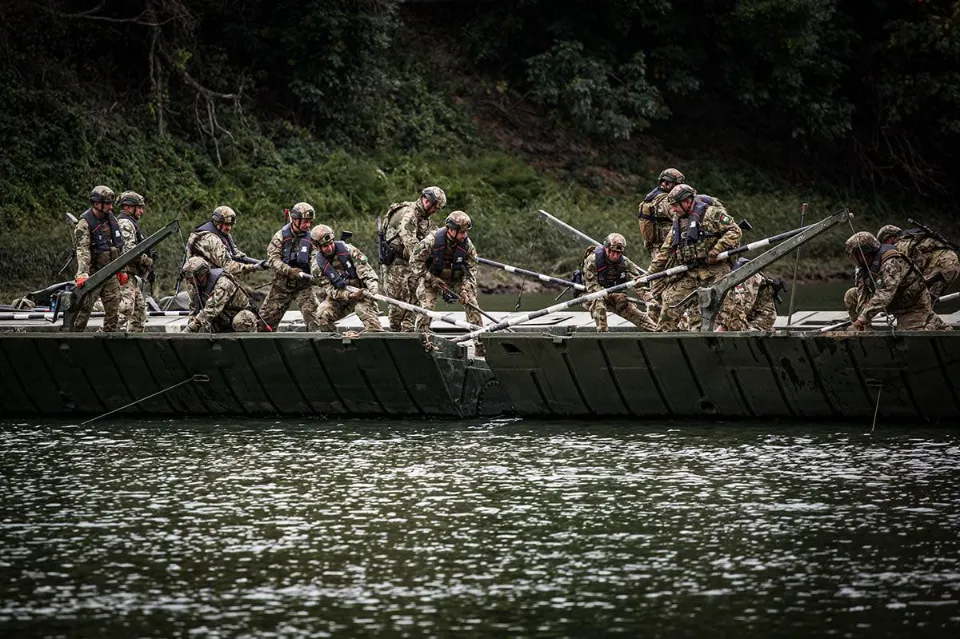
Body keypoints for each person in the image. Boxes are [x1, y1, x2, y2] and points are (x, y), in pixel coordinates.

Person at [646, 184, 743, 331]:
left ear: (687, 201)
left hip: (715, 270)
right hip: (691, 273)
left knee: (729, 302)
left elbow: (735, 231)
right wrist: (648, 275)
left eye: (675, 206)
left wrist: (716, 249)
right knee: (671, 300)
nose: (673, 210)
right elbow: (665, 251)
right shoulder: (678, 222)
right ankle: (665, 335)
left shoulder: (712, 214)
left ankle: (727, 332)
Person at [410, 211, 486, 356]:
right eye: (462, 232)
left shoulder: (467, 245)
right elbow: (414, 262)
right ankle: (421, 344)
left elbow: (471, 270)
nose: (464, 235)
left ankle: (480, 346)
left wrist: (465, 289)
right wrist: (430, 278)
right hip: (432, 278)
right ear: (451, 230)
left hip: (456, 279)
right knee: (426, 307)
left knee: (472, 303)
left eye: (466, 232)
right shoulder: (430, 241)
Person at [842, 231, 948, 331]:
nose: (851, 258)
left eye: (853, 255)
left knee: (909, 334)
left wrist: (859, 322)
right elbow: (862, 295)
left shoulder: (890, 263)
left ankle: (933, 322)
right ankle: (864, 332)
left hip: (911, 304)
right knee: (851, 295)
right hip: (892, 300)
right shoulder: (862, 267)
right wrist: (862, 323)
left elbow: (884, 296)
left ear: (863, 253)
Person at [381, 186, 446, 331]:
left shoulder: (423, 218)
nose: (435, 211)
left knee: (415, 298)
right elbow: (410, 244)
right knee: (398, 303)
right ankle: (395, 332)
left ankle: (409, 331)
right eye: (435, 208)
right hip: (396, 264)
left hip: (411, 263)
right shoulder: (409, 214)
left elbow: (430, 239)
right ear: (427, 202)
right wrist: (425, 260)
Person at [309, 224, 383, 333]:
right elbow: (330, 290)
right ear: (317, 247)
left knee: (364, 312)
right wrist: (349, 295)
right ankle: (334, 341)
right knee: (321, 314)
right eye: (325, 246)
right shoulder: (317, 267)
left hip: (362, 294)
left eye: (331, 243)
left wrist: (372, 291)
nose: (330, 248)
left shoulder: (349, 251)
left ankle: (375, 336)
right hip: (340, 298)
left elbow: (368, 273)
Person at [260, 202, 321, 331]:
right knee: (264, 324)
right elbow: (273, 260)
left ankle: (317, 341)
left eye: (309, 222)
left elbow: (315, 259)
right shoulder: (280, 237)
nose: (308, 225)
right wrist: (289, 271)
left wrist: (317, 273)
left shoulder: (312, 239)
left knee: (317, 321)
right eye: (305, 221)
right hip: (281, 286)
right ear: (295, 220)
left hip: (303, 285)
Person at [71, 185, 123, 332]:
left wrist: (122, 269)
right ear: (96, 203)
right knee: (84, 309)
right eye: (107, 204)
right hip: (93, 273)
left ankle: (109, 336)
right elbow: (83, 250)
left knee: (114, 308)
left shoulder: (111, 220)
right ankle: (73, 336)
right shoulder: (84, 223)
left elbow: (119, 246)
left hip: (110, 272)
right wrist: (82, 273)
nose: (110, 207)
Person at [579, 233, 657, 332]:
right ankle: (603, 334)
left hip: (613, 294)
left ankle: (654, 331)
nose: (615, 256)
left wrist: (649, 298)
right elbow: (591, 286)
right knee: (599, 302)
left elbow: (637, 283)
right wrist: (607, 294)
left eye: (618, 253)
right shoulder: (593, 260)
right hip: (591, 294)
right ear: (606, 248)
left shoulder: (625, 263)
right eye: (613, 252)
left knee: (626, 305)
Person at [877, 224, 959, 299]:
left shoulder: (901, 244)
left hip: (941, 265)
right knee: (930, 298)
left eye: (885, 243)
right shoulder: (913, 237)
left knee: (919, 297)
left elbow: (901, 272)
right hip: (954, 263)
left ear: (890, 238)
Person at [181, 256, 258, 333]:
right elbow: (194, 309)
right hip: (222, 318)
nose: (189, 281)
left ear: (201, 275)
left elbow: (212, 309)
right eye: (187, 278)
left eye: (191, 278)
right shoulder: (194, 287)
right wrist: (190, 327)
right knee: (204, 326)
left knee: (239, 321)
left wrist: (191, 327)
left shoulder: (223, 283)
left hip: (240, 315)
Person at [185, 205, 266, 276]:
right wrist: (253, 267)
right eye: (226, 224)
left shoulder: (223, 234)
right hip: (198, 280)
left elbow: (235, 255)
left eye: (231, 224)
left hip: (210, 276)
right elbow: (228, 266)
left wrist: (260, 262)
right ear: (217, 222)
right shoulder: (209, 238)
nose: (229, 228)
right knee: (227, 283)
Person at [115, 191, 151, 332]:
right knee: (125, 310)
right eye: (139, 207)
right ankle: (102, 336)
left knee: (139, 312)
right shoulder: (125, 223)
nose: (142, 211)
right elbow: (129, 250)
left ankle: (134, 340)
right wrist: (145, 259)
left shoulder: (131, 223)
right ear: (128, 207)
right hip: (123, 273)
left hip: (130, 275)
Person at [719, 258, 781, 331]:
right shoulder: (716, 276)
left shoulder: (745, 274)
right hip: (740, 318)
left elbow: (739, 308)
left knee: (734, 327)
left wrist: (721, 329)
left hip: (758, 319)